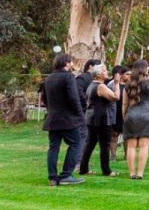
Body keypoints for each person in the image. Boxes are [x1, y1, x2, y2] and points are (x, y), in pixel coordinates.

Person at [42, 53, 86, 186]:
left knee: (53, 147)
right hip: (68, 119)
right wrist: (80, 115)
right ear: (67, 63)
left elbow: (44, 99)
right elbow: (74, 98)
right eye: (71, 62)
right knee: (76, 143)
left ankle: (52, 177)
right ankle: (66, 174)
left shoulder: (48, 78)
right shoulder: (68, 77)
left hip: (53, 118)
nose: (72, 64)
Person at [122, 60, 149, 180]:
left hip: (131, 115)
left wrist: (125, 117)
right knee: (144, 146)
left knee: (131, 146)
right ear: (145, 69)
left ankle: (131, 173)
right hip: (146, 115)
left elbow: (124, 104)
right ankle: (140, 173)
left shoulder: (128, 84)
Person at [79, 64, 119, 177]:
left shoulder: (91, 85)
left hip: (92, 118)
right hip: (102, 119)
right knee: (105, 145)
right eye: (105, 70)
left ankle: (83, 168)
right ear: (98, 74)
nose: (107, 72)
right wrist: (116, 83)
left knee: (90, 144)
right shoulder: (101, 86)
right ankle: (106, 170)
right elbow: (116, 97)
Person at [110, 66, 129, 161]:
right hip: (116, 113)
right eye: (127, 74)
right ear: (121, 75)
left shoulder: (130, 85)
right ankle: (113, 155)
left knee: (127, 136)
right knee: (114, 135)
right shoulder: (114, 84)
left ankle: (127, 155)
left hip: (127, 113)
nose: (129, 76)